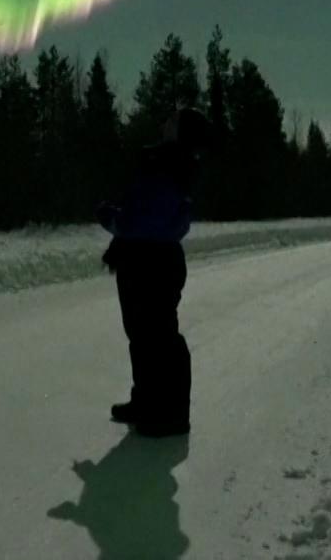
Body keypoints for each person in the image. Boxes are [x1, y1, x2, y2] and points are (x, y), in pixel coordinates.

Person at [97, 107, 215, 438]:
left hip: (155, 261)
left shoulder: (173, 165)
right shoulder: (164, 161)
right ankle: (147, 402)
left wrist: (113, 220)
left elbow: (149, 220)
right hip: (141, 258)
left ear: (183, 133)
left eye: (173, 121)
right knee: (142, 336)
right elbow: (142, 210)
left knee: (159, 337)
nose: (166, 123)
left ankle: (172, 414)